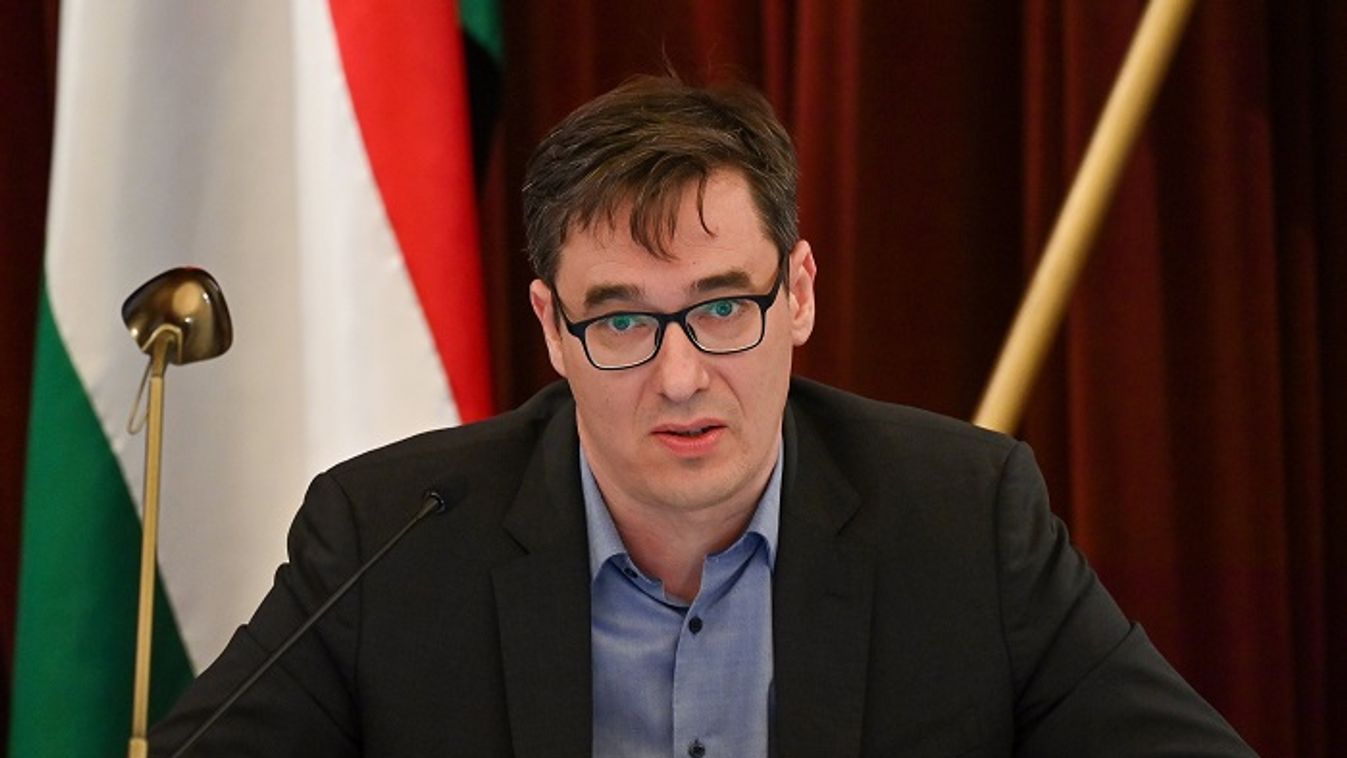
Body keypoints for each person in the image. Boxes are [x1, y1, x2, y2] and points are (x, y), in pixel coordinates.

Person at [151, 76, 1254, 756]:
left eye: (724, 307)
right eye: (622, 321)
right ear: (550, 328)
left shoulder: (963, 519)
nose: (680, 377)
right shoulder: (391, 535)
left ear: (799, 293)